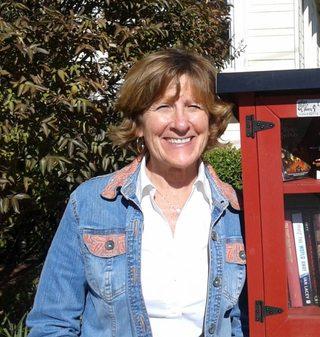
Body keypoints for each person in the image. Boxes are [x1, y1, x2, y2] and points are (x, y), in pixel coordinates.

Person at [26, 49, 247, 337]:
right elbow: (51, 325)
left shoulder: (238, 212)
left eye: (194, 106)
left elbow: (248, 324)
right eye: (163, 107)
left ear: (211, 121)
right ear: (139, 122)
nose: (181, 123)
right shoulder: (91, 204)